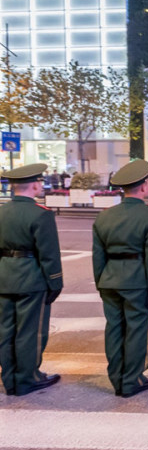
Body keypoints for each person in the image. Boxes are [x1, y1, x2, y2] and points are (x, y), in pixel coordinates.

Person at [92, 159, 148, 397]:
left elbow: (98, 255)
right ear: (143, 186)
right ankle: (132, 379)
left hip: (110, 280)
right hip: (138, 281)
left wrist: (100, 281)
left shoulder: (104, 216)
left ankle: (117, 378)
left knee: (114, 329)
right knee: (136, 330)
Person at [0, 163, 62, 396]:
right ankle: (27, 377)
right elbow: (49, 254)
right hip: (31, 278)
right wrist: (55, 283)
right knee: (30, 331)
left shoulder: (1, 211)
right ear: (35, 184)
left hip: (4, 276)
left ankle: (9, 378)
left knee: (6, 330)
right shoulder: (40, 214)